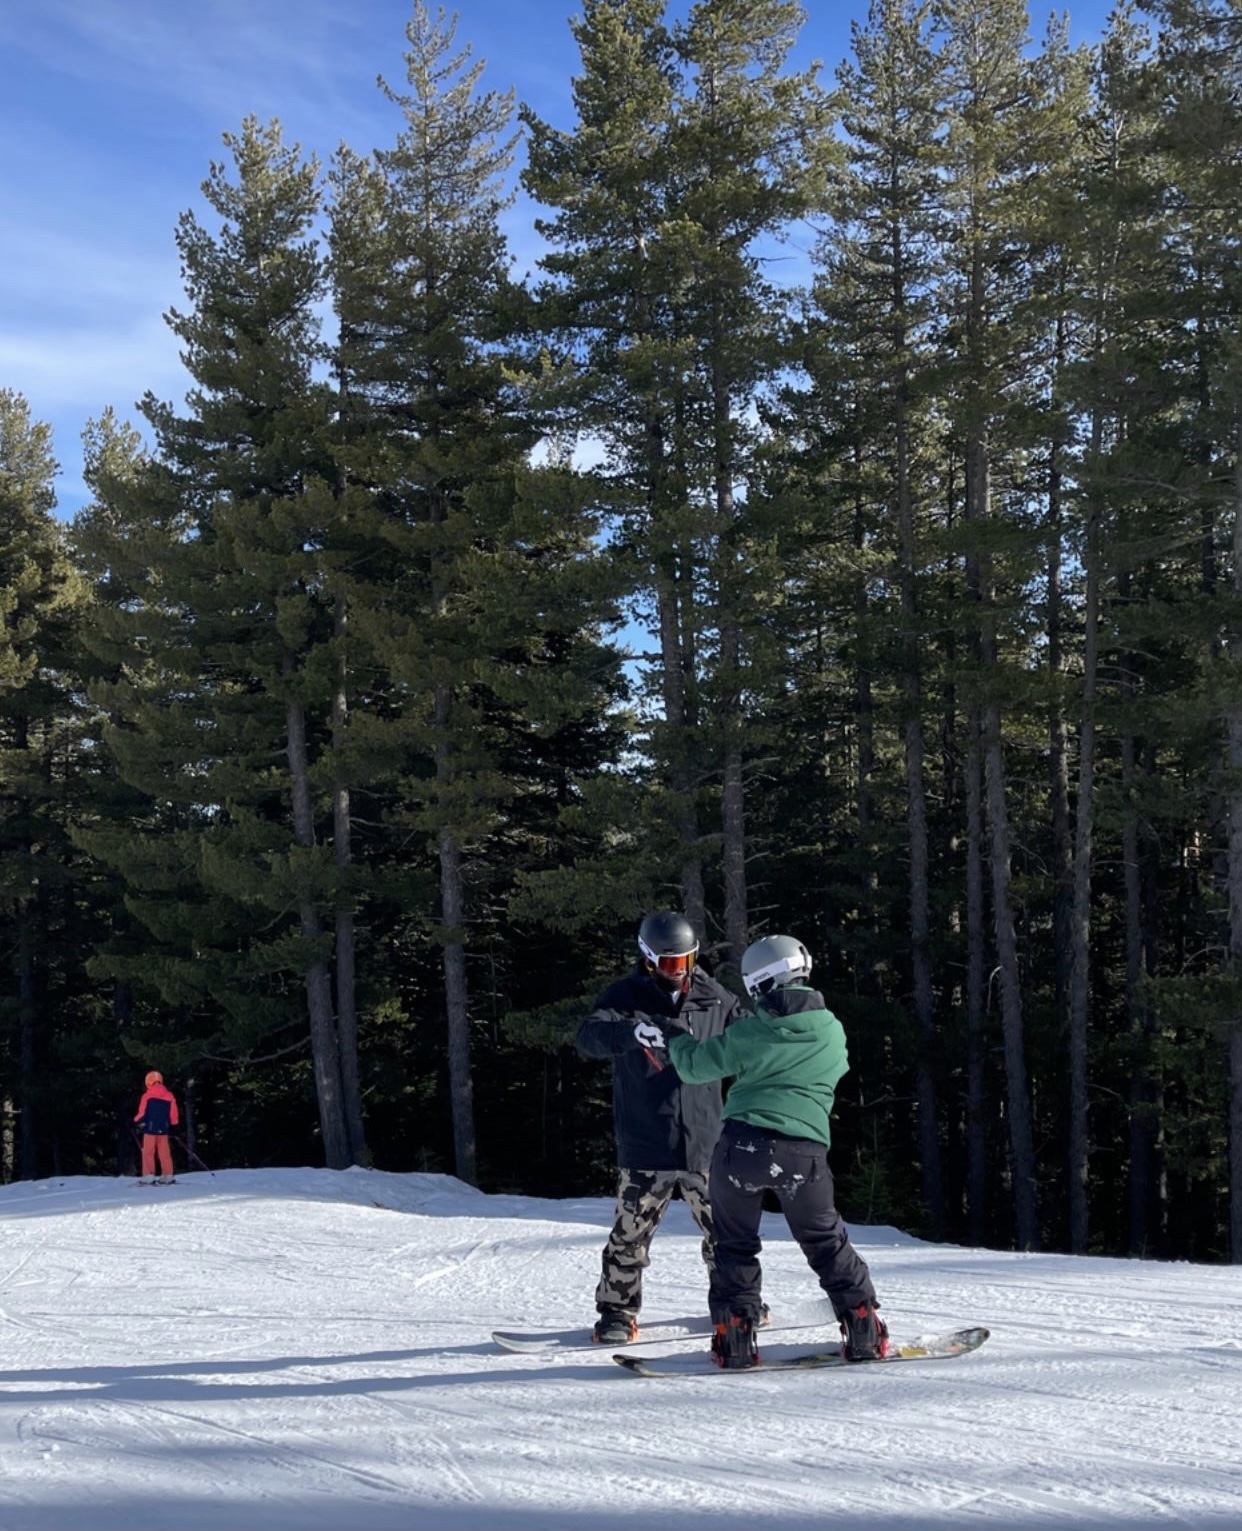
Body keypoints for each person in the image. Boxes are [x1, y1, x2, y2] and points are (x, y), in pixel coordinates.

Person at [658, 933, 888, 1370]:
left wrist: (677, 1037)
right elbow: (837, 1068)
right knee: (825, 1240)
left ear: (760, 983)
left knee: (734, 1243)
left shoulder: (751, 1032)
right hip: (804, 1153)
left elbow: (693, 1067)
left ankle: (735, 1338)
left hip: (742, 1149)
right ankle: (863, 1325)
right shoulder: (831, 1029)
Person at [576, 910, 743, 1345]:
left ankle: (733, 1303)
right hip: (648, 1142)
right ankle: (617, 1312)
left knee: (726, 1233)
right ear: (648, 959)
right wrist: (631, 1033)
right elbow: (589, 1036)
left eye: (687, 960)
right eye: (670, 963)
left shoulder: (713, 997)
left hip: (706, 1142)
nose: (680, 971)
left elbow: (747, 1036)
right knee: (629, 1237)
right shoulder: (625, 996)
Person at [134, 1070, 179, 1184]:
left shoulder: (147, 1096)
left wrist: (135, 1121)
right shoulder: (169, 1095)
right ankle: (168, 1175)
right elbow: (173, 1113)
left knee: (148, 1152)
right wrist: (174, 1124)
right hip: (163, 1128)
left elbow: (142, 1113)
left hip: (150, 1128)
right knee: (164, 1152)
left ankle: (148, 1175)